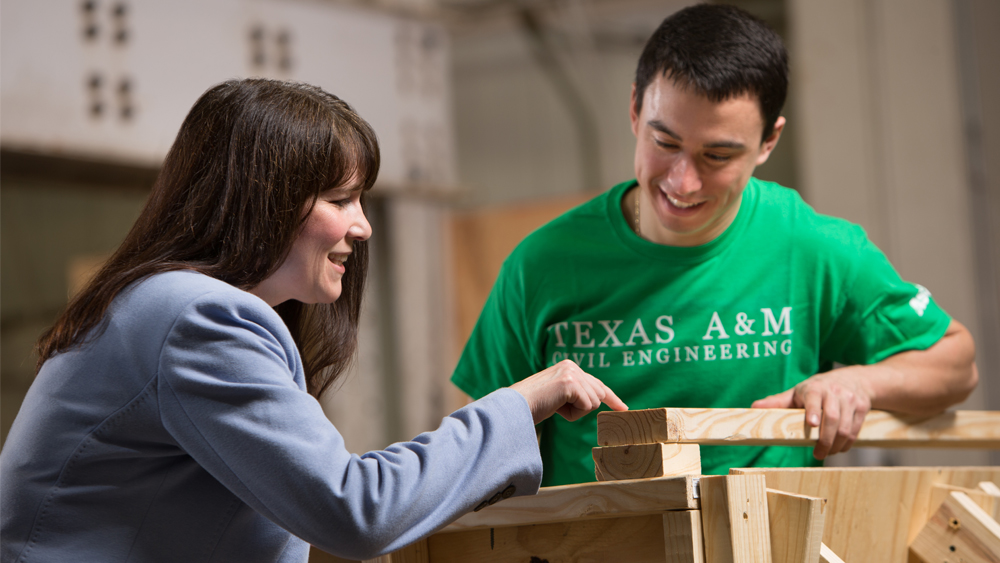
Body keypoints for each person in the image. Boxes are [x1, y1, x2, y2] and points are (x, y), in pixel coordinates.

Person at [0, 78, 626, 562]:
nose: (363, 226)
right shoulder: (198, 318)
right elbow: (356, 510)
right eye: (340, 199)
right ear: (261, 200)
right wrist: (522, 403)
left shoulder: (158, 306)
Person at [450, 3, 978, 487]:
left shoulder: (812, 248)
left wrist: (860, 383)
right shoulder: (543, 264)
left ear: (768, 141)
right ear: (634, 109)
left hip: (766, 538)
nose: (682, 182)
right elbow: (480, 449)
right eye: (665, 142)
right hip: (591, 540)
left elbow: (956, 364)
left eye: (717, 156)